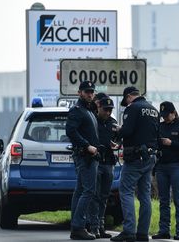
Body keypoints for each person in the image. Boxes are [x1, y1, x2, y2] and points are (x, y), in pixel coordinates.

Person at [111, 86, 159, 242]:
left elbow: (128, 131)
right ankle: (143, 233)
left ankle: (129, 231)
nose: (127, 102)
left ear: (129, 96)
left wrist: (119, 130)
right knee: (145, 195)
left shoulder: (132, 108)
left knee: (125, 192)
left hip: (135, 158)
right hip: (150, 157)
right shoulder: (153, 109)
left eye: (126, 100)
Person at [66, 81, 100, 240]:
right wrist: (87, 146)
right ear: (79, 93)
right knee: (88, 191)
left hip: (90, 156)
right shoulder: (77, 110)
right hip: (85, 157)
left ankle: (76, 227)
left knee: (80, 191)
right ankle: (79, 227)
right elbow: (70, 131)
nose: (90, 94)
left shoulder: (89, 110)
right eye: (87, 92)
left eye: (92, 92)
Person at [152, 101, 179, 241]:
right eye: (163, 115)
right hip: (162, 166)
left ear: (173, 113)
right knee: (163, 200)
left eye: (167, 115)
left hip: (176, 166)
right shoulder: (160, 126)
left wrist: (171, 143)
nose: (165, 118)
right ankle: (164, 230)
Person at [88, 96, 119, 239]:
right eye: (105, 109)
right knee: (94, 196)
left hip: (108, 163)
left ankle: (101, 227)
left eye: (110, 110)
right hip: (95, 162)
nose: (108, 112)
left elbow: (119, 139)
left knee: (104, 196)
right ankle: (94, 227)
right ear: (98, 107)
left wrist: (117, 144)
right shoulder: (92, 121)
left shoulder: (113, 123)